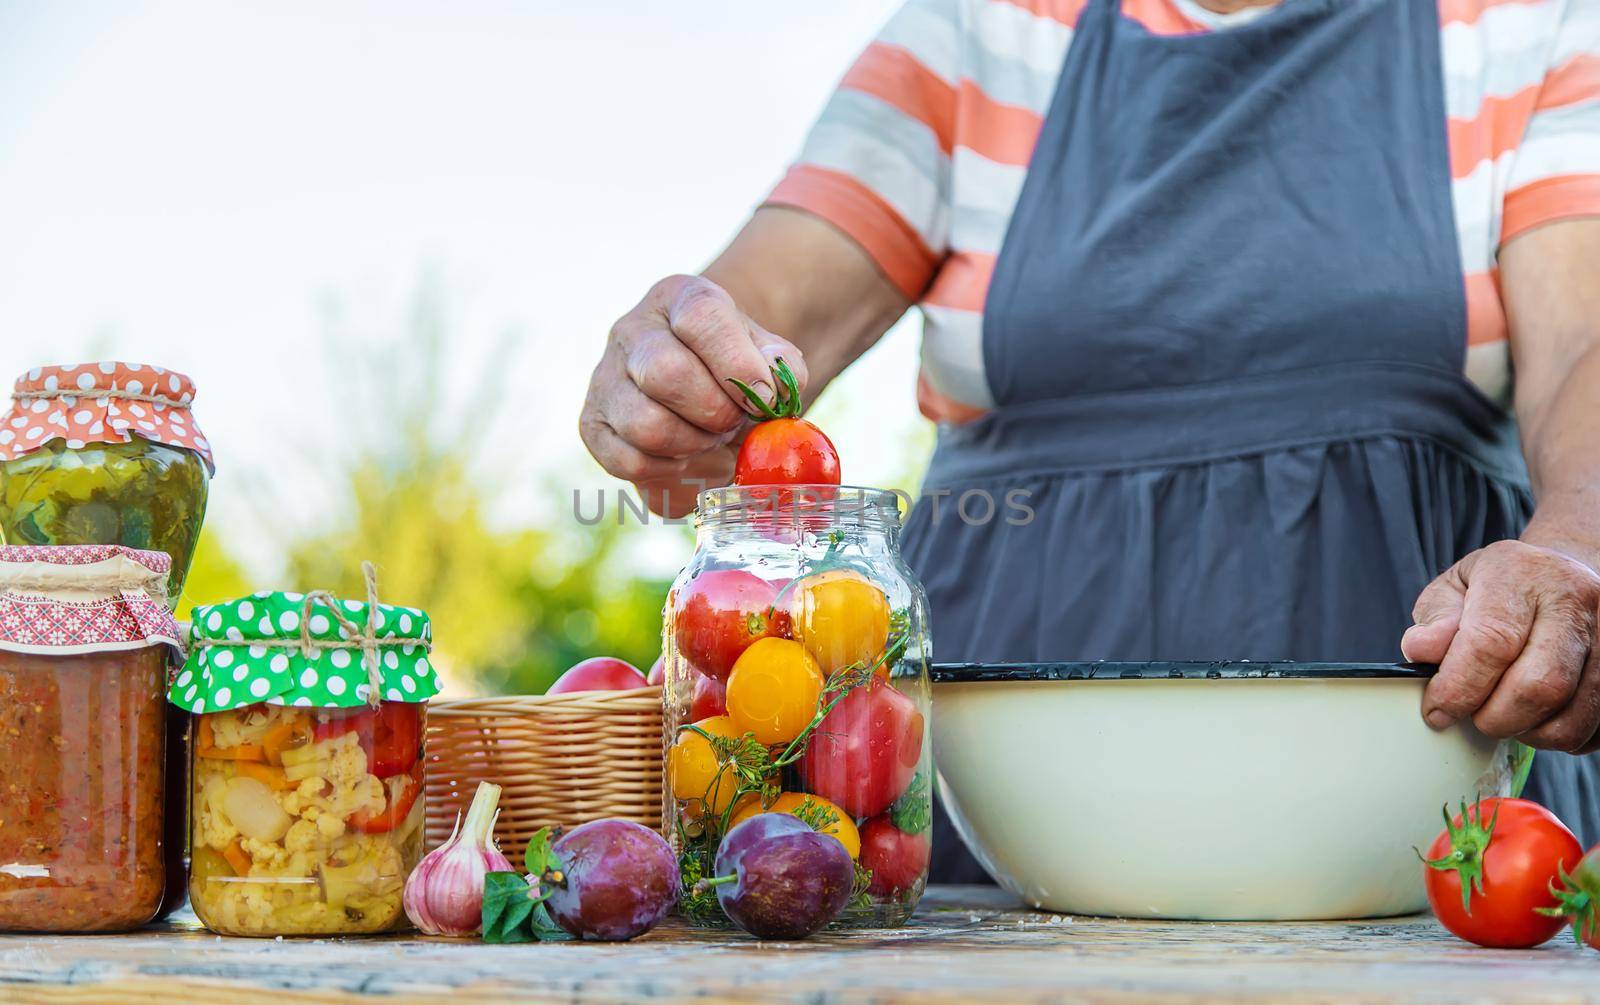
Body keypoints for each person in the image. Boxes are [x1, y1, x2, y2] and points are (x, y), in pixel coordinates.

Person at [580, 0, 1600, 882]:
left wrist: (1573, 551)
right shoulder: (981, 28)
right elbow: (755, 332)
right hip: (990, 833)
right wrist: (675, 376)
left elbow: (1583, 355)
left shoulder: (1523, 25)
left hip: (1422, 843)